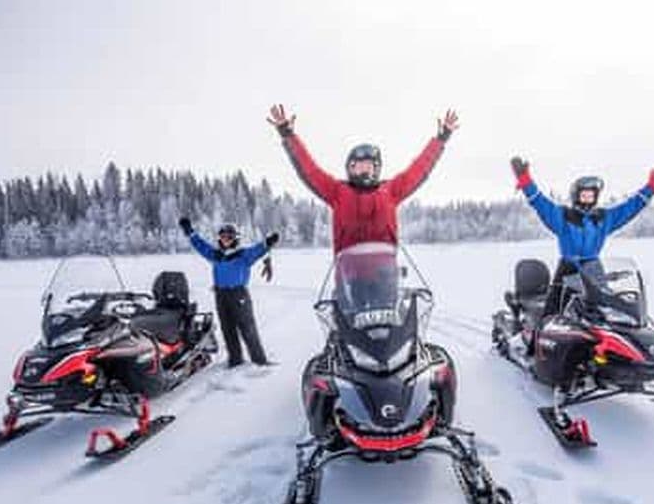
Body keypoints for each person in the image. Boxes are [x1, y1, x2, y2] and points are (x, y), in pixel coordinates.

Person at [267, 103, 458, 307]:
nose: (364, 171)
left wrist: (441, 138)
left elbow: (419, 169)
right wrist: (288, 135)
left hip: (385, 280)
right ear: (350, 169)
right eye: (359, 166)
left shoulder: (391, 191)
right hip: (349, 281)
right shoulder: (337, 192)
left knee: (391, 334)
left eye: (370, 166)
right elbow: (309, 170)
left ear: (378, 169)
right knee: (346, 333)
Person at [510, 157, 654, 317]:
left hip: (593, 269)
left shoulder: (603, 219)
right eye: (584, 196)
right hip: (568, 269)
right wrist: (525, 180)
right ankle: (538, 338)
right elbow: (540, 203)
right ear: (576, 196)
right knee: (553, 314)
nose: (587, 200)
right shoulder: (563, 216)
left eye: (591, 196)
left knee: (604, 312)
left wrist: (651, 187)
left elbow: (629, 209)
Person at [179, 218, 279, 368]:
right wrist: (190, 232)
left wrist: (269, 241)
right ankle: (235, 360)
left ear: (235, 238)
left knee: (248, 329)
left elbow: (258, 249)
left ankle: (260, 361)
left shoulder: (243, 255)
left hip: (239, 295)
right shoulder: (216, 255)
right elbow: (201, 246)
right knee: (227, 329)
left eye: (229, 236)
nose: (226, 239)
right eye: (223, 236)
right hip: (221, 295)